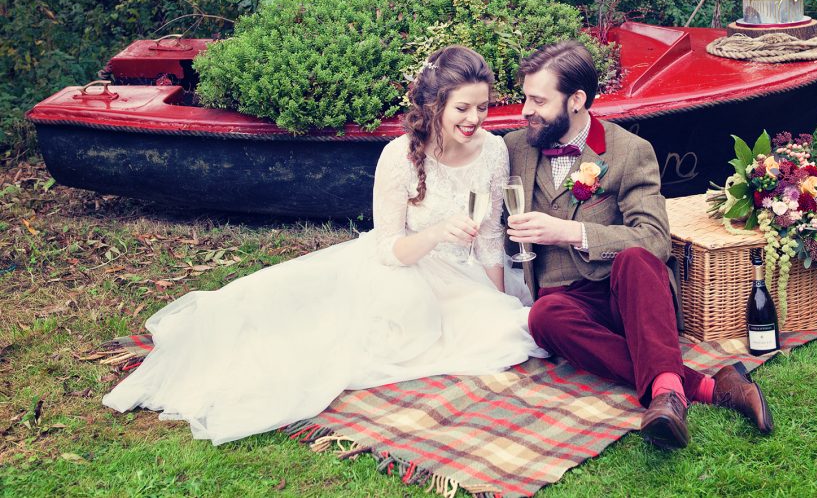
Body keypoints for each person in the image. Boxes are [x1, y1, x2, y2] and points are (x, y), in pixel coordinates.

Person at [103, 46, 546, 445]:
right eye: (463, 108)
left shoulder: (492, 151)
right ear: (435, 105)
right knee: (306, 330)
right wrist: (436, 232)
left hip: (463, 279)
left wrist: (498, 300)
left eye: (483, 107)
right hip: (403, 271)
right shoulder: (399, 155)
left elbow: (490, 238)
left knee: (502, 331)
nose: (474, 119)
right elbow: (388, 250)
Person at [504, 40, 773, 450]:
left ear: (576, 100)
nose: (525, 109)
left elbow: (654, 239)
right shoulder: (514, 148)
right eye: (526, 97)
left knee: (636, 257)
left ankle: (669, 398)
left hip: (630, 297)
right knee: (542, 316)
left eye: (537, 100)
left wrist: (570, 232)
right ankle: (699, 386)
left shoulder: (629, 151)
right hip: (571, 308)